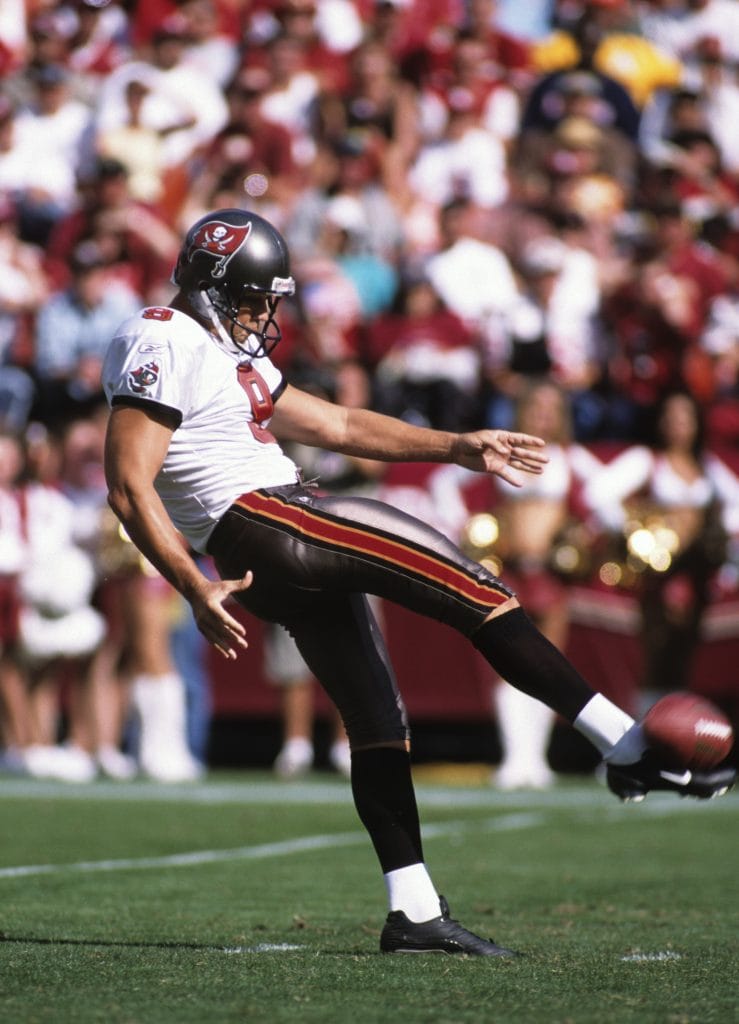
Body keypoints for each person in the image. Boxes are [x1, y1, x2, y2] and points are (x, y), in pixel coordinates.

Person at [101, 208, 735, 957]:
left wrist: (454, 447)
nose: (265, 313)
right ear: (214, 289)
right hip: (265, 525)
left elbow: (335, 425)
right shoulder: (161, 336)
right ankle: (625, 745)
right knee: (475, 590)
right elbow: (128, 484)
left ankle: (414, 909)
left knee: (378, 720)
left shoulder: (218, 351)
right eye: (255, 297)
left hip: (273, 539)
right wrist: (188, 581)